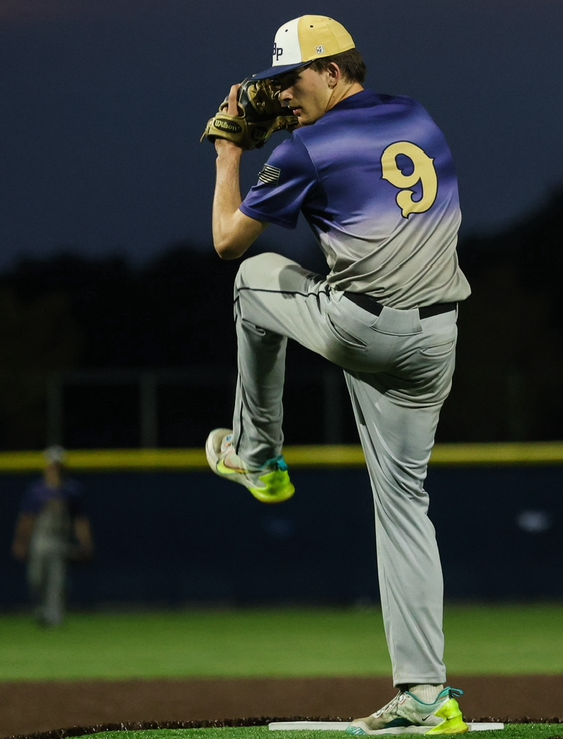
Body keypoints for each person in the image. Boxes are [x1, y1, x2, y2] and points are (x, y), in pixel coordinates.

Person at [203, 14, 472, 736]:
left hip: (367, 329)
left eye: (290, 79)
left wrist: (230, 153)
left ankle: (257, 455)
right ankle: (425, 693)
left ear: (332, 70)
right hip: (438, 337)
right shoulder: (416, 116)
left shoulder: (306, 149)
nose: (281, 94)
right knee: (405, 507)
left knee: (252, 279)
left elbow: (226, 240)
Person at [11, 446, 93, 627]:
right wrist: (21, 541)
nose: (56, 469)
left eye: (59, 465)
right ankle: (42, 608)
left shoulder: (72, 490)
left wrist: (86, 542)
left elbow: (80, 520)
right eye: (53, 465)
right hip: (40, 539)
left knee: (57, 580)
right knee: (36, 578)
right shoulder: (37, 490)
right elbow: (27, 518)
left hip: (60, 539)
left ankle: (54, 616)